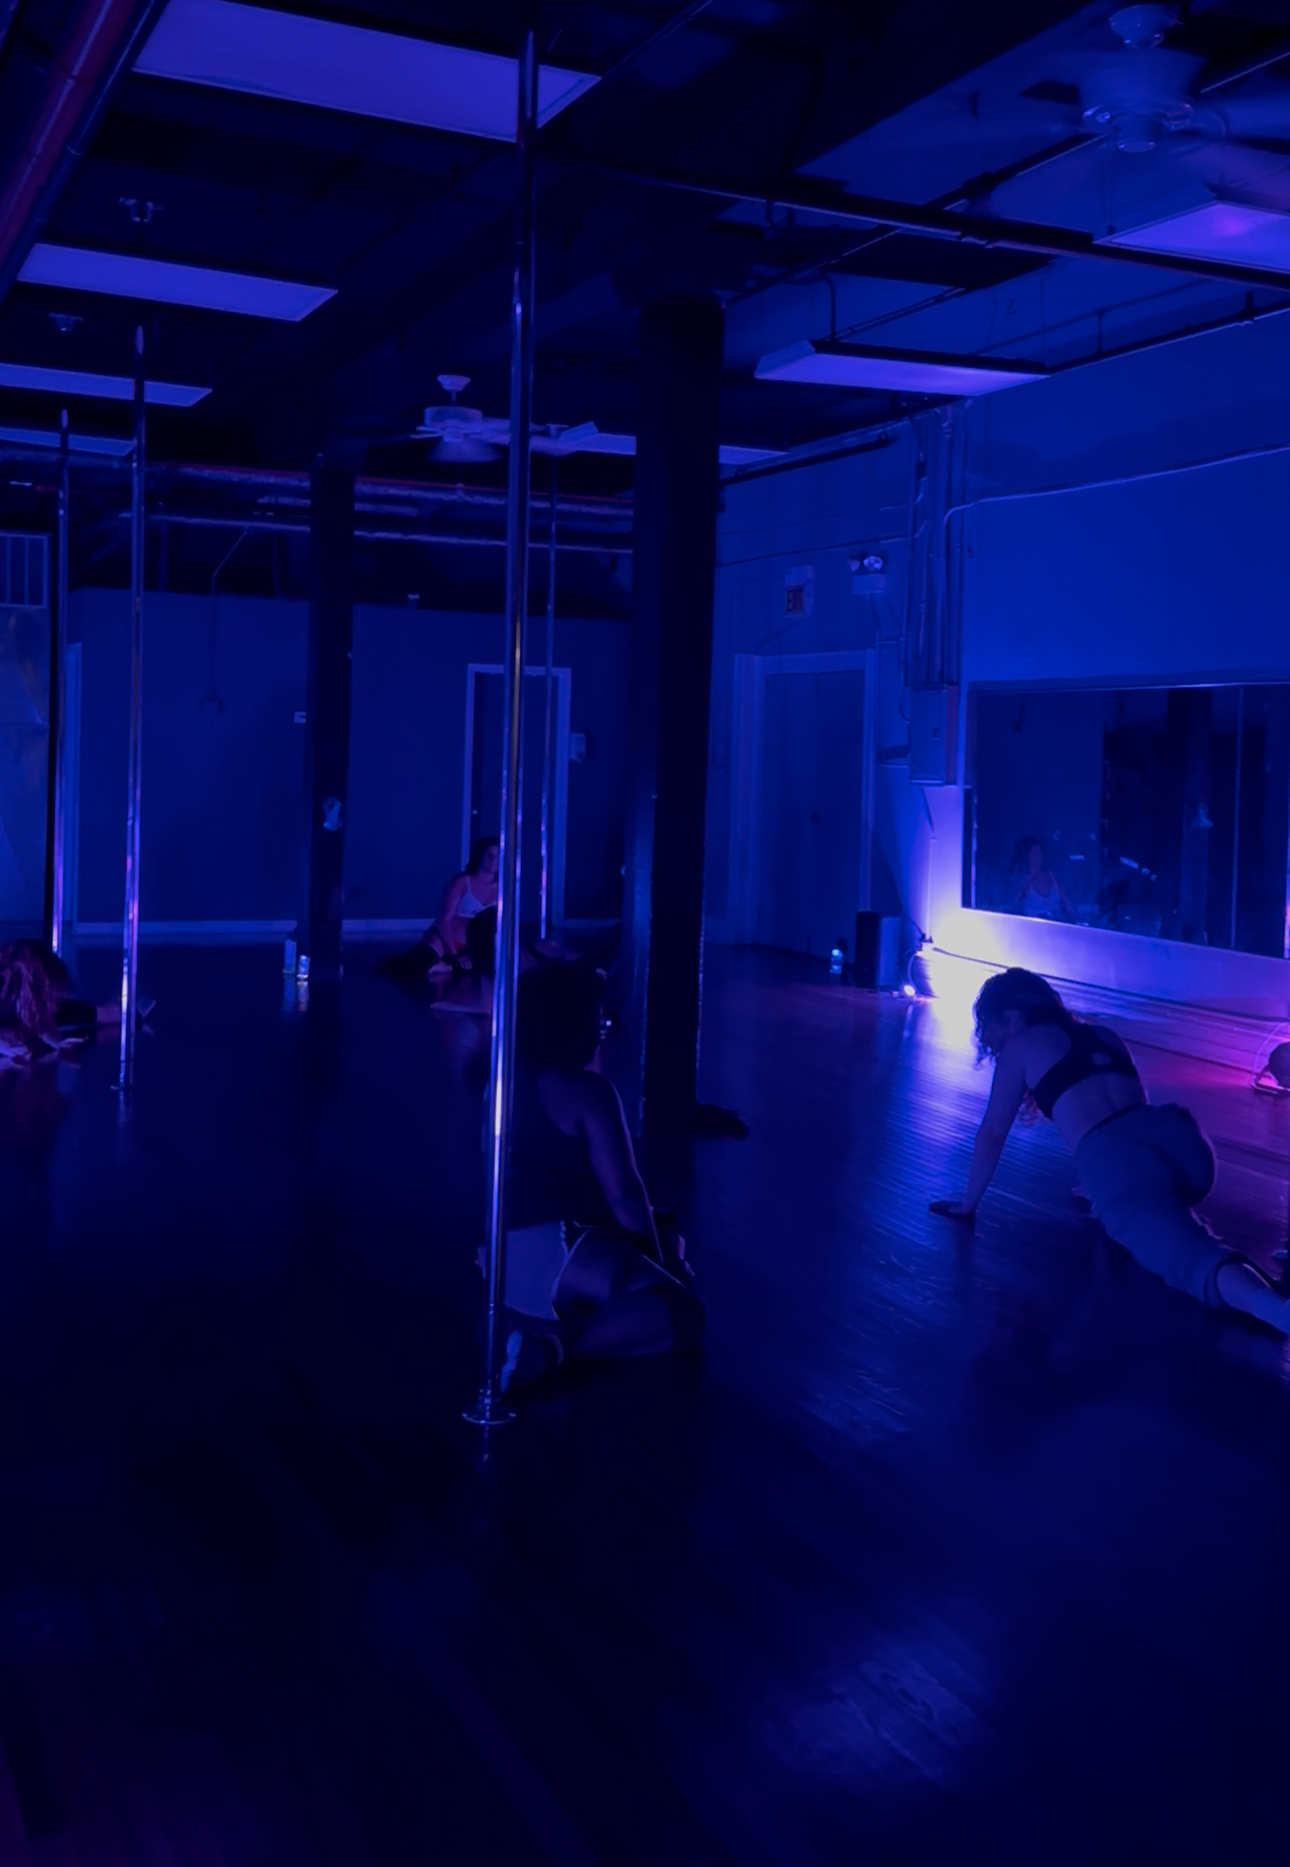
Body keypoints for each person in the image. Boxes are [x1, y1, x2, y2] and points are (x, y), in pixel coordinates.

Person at [930, 967, 1290, 1335]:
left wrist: (968, 1205)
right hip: (1180, 1140)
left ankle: (1277, 1311)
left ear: (1011, 1016)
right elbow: (1131, 1110)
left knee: (1189, 1257)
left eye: (993, 1027)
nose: (993, 1039)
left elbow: (992, 1134)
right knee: (1162, 1214)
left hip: (1118, 1160)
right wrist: (1101, 1187)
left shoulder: (1020, 1047)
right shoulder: (1103, 1035)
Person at [493, 963, 705, 1389]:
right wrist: (656, 1266)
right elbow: (625, 1194)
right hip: (553, 1247)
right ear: (570, 1025)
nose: (602, 1030)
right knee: (683, 1312)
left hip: (497, 1253)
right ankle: (553, 1350)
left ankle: (599, 1309)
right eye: (597, 1019)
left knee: (666, 1222)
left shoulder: (500, 1078)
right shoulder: (588, 1092)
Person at [1012, 837, 1073, 921]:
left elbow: (1069, 908)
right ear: (1027, 856)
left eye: (1041, 853)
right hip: (1031, 927)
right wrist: (1026, 885)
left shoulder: (1054, 878)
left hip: (1056, 926)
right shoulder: (1023, 883)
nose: (1040, 856)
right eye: (1036, 853)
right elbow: (1014, 909)